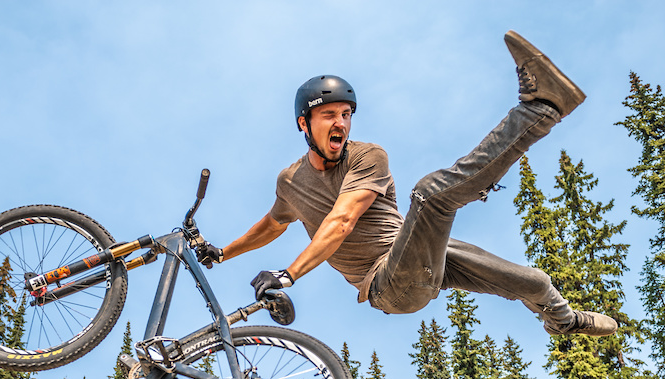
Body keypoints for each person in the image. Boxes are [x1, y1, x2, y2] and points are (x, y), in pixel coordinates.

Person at [198, 30, 617, 337]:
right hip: (387, 286)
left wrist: (289, 275)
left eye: (347, 114)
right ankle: (541, 109)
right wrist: (222, 252)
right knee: (431, 196)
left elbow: (342, 221)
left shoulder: (368, 156)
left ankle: (565, 321)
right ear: (304, 124)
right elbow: (272, 224)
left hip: (415, 252)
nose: (341, 123)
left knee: (532, 282)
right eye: (329, 115)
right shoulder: (290, 181)